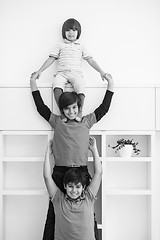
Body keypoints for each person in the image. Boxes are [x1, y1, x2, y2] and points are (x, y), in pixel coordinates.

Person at [30, 71, 114, 240]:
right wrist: (33, 83)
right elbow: (41, 108)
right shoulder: (57, 122)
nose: (71, 111)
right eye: (67, 108)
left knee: (89, 212)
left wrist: (110, 85)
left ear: (79, 107)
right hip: (60, 172)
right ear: (62, 110)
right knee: (53, 214)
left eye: (74, 107)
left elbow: (104, 108)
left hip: (81, 172)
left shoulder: (87, 122)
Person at [34, 18, 111, 120]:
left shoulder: (81, 46)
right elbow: (51, 58)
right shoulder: (60, 45)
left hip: (76, 74)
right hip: (62, 73)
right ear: (64, 32)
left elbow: (90, 60)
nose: (71, 33)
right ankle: (62, 113)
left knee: (81, 88)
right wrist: (40, 71)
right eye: (68, 30)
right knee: (56, 86)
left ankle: (79, 112)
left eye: (74, 30)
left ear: (78, 32)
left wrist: (101, 72)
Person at [43, 136, 102, 240]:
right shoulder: (58, 200)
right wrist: (48, 153)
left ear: (83, 187)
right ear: (65, 186)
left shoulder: (88, 197)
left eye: (78, 187)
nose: (74, 190)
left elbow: (98, 173)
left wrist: (94, 150)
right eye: (70, 186)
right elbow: (47, 177)